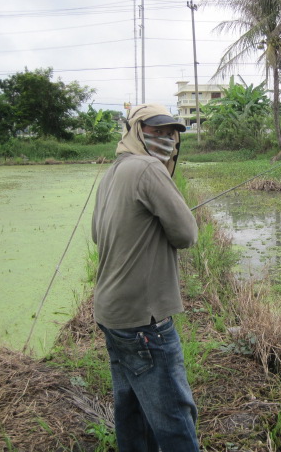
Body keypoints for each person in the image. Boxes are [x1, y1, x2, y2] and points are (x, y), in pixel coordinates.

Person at [91, 103, 200, 451]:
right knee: (173, 417)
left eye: (172, 133)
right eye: (156, 131)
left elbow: (98, 233)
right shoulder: (149, 168)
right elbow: (186, 235)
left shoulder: (113, 171)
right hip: (143, 321)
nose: (166, 139)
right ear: (135, 131)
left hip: (112, 313)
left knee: (134, 410)